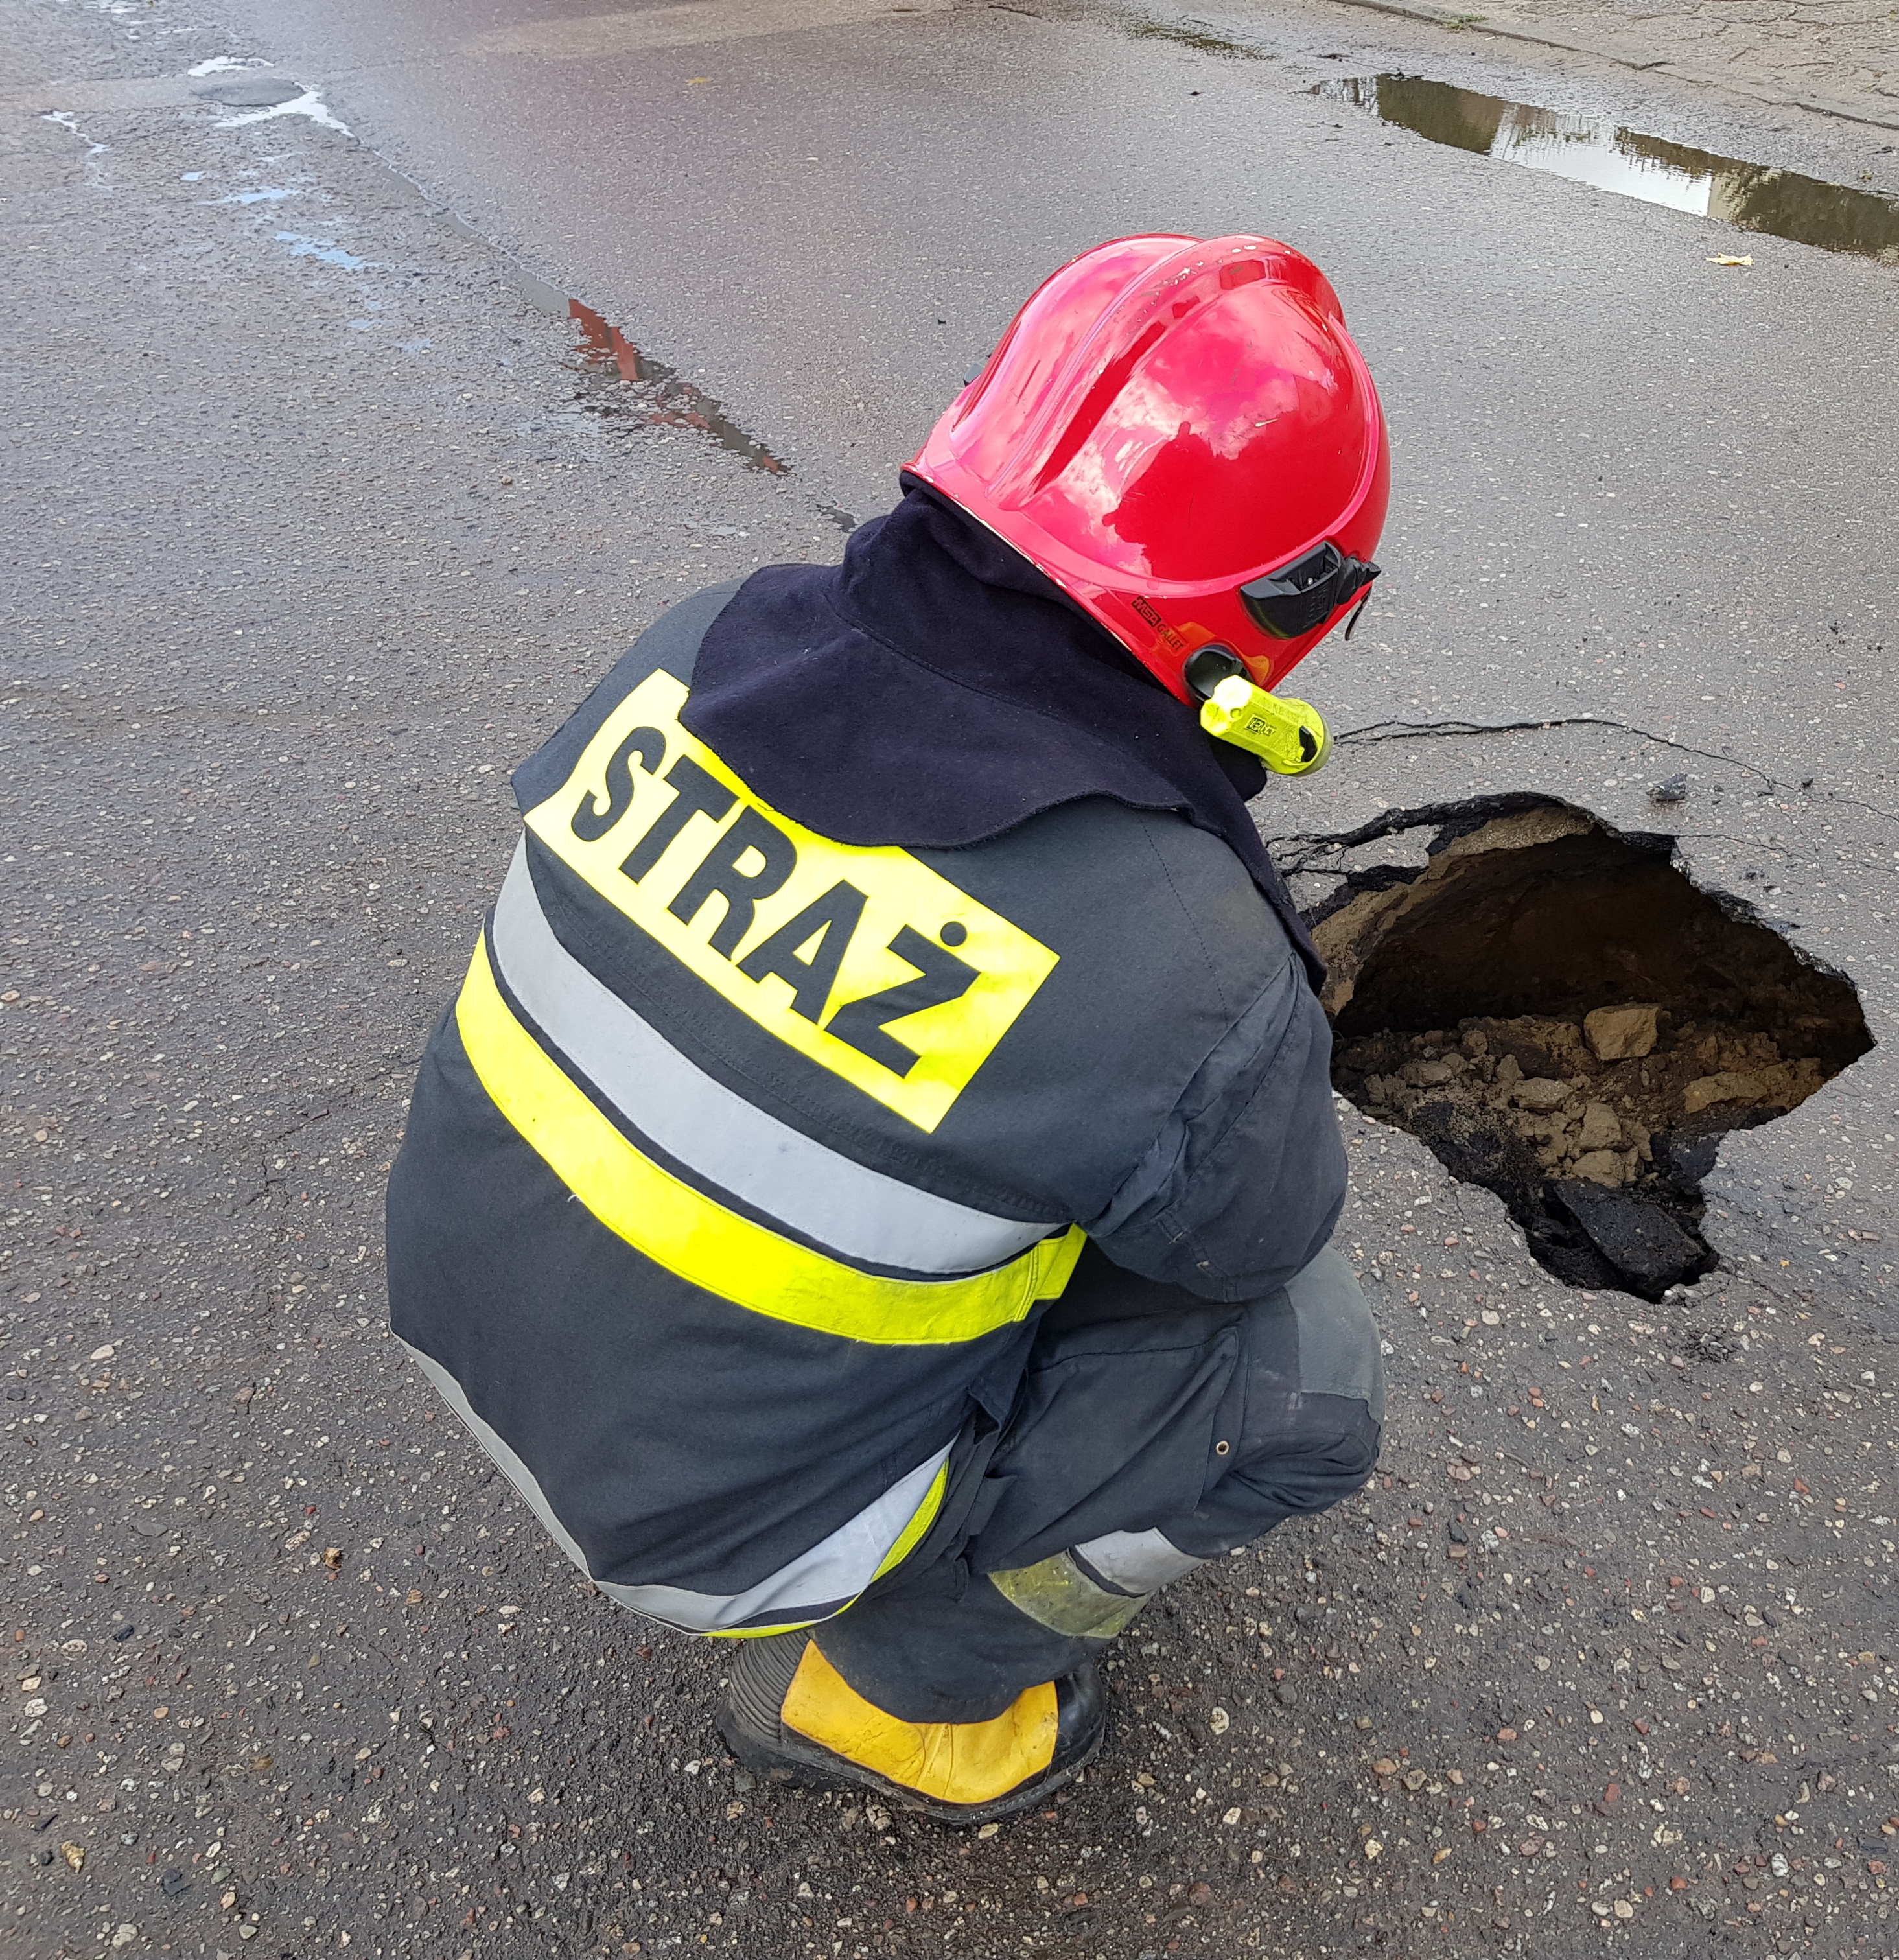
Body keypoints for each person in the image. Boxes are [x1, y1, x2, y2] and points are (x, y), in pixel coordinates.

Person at [383, 235, 1390, 1825]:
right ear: (1282, 613)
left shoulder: (703, 639)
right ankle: (898, 1695)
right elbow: (1252, 1244)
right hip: (710, 1534)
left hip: (450, 1328)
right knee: (1304, 1379)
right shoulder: (1188, 955)